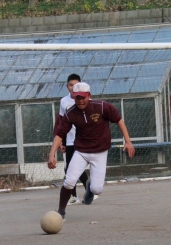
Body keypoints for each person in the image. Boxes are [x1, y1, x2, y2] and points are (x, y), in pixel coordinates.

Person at [47, 82, 135, 221]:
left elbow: (119, 120)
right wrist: (52, 154)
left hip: (100, 152)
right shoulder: (71, 113)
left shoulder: (102, 107)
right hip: (81, 151)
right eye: (77, 98)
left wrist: (128, 141)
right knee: (69, 181)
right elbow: (60, 134)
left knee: (97, 189)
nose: (80, 101)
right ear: (73, 97)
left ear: (89, 96)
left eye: (83, 97)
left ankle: (90, 188)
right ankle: (61, 212)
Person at [56, 73, 92, 205]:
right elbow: (61, 122)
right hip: (69, 140)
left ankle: (87, 190)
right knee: (69, 168)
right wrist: (62, 141)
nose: (73, 87)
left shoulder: (86, 100)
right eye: (71, 85)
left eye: (76, 85)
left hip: (83, 139)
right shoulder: (64, 101)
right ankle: (76, 195)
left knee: (74, 167)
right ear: (67, 86)